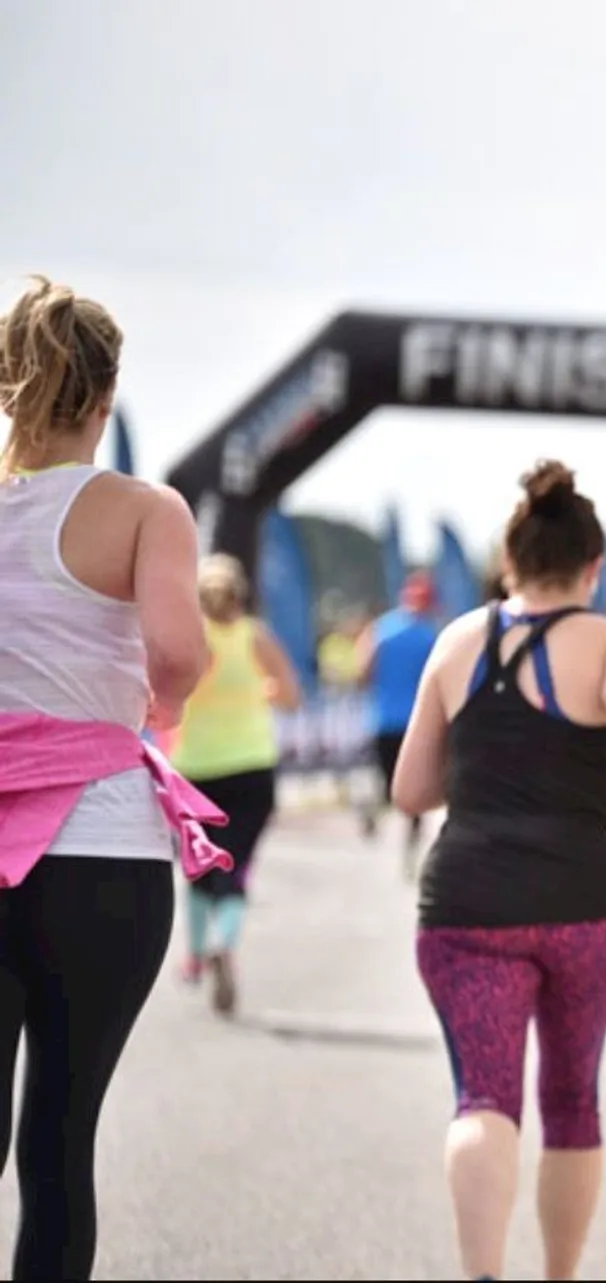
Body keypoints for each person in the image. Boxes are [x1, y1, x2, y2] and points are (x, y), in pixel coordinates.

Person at [391, 460, 606, 1282]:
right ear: (593, 567)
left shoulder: (457, 641)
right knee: (572, 1100)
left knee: (484, 1097)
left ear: (507, 561)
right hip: (589, 901)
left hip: (470, 901)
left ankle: (483, 1273)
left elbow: (411, 789)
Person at [0, 276, 212, 1278]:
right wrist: (154, 713)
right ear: (106, 394)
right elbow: (178, 648)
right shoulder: (141, 508)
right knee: (58, 1143)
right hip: (102, 853)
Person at [166, 554, 303, 1015]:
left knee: (201, 867)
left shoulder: (192, 640)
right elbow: (290, 696)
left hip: (195, 769)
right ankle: (226, 942)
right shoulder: (255, 637)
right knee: (237, 865)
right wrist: (256, 690)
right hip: (251, 767)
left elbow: (167, 696)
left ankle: (196, 953)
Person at [359, 569, 440, 871]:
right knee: (417, 790)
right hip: (417, 723)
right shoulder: (431, 636)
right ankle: (410, 850)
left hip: (383, 720)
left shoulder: (381, 630)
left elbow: (363, 672)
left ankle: (372, 810)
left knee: (387, 784)